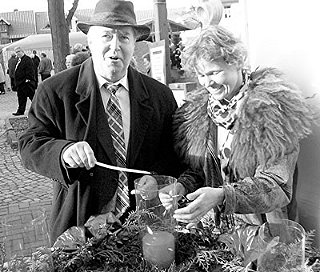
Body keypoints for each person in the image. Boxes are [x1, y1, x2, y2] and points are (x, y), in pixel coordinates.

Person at [18, 0, 195, 245]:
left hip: (145, 232)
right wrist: (64, 152)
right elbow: (30, 144)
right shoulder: (56, 91)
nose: (115, 47)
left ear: (134, 44)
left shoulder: (159, 96)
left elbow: (172, 155)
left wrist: (157, 178)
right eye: (106, 36)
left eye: (124, 37)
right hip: (79, 229)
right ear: (90, 41)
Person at [160, 25, 314, 231]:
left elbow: (277, 185)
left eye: (214, 72)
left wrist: (224, 195)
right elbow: (200, 171)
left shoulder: (272, 112)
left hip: (266, 235)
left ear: (237, 63)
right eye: (201, 74)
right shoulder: (198, 114)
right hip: (218, 234)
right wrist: (182, 186)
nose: (207, 83)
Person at [12, 46, 36, 116]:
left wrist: (28, 79)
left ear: (22, 51)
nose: (17, 53)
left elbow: (31, 70)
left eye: (18, 51)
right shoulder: (19, 60)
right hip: (20, 83)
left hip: (26, 83)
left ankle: (39, 109)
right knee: (21, 98)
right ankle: (21, 110)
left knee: (32, 97)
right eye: (16, 52)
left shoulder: (27, 59)